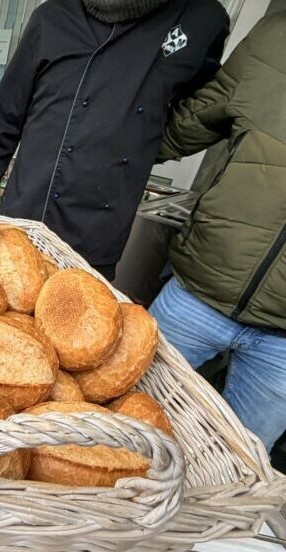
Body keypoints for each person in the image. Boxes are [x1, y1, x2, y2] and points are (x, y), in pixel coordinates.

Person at [0, 0, 229, 280]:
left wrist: (140, 146)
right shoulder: (53, 16)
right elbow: (4, 119)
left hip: (97, 237)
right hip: (24, 218)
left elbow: (198, 112)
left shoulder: (202, 20)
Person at [148, 12, 286, 452]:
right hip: (197, 294)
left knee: (236, 469)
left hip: (283, 344)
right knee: (121, 431)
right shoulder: (276, 36)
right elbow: (189, 122)